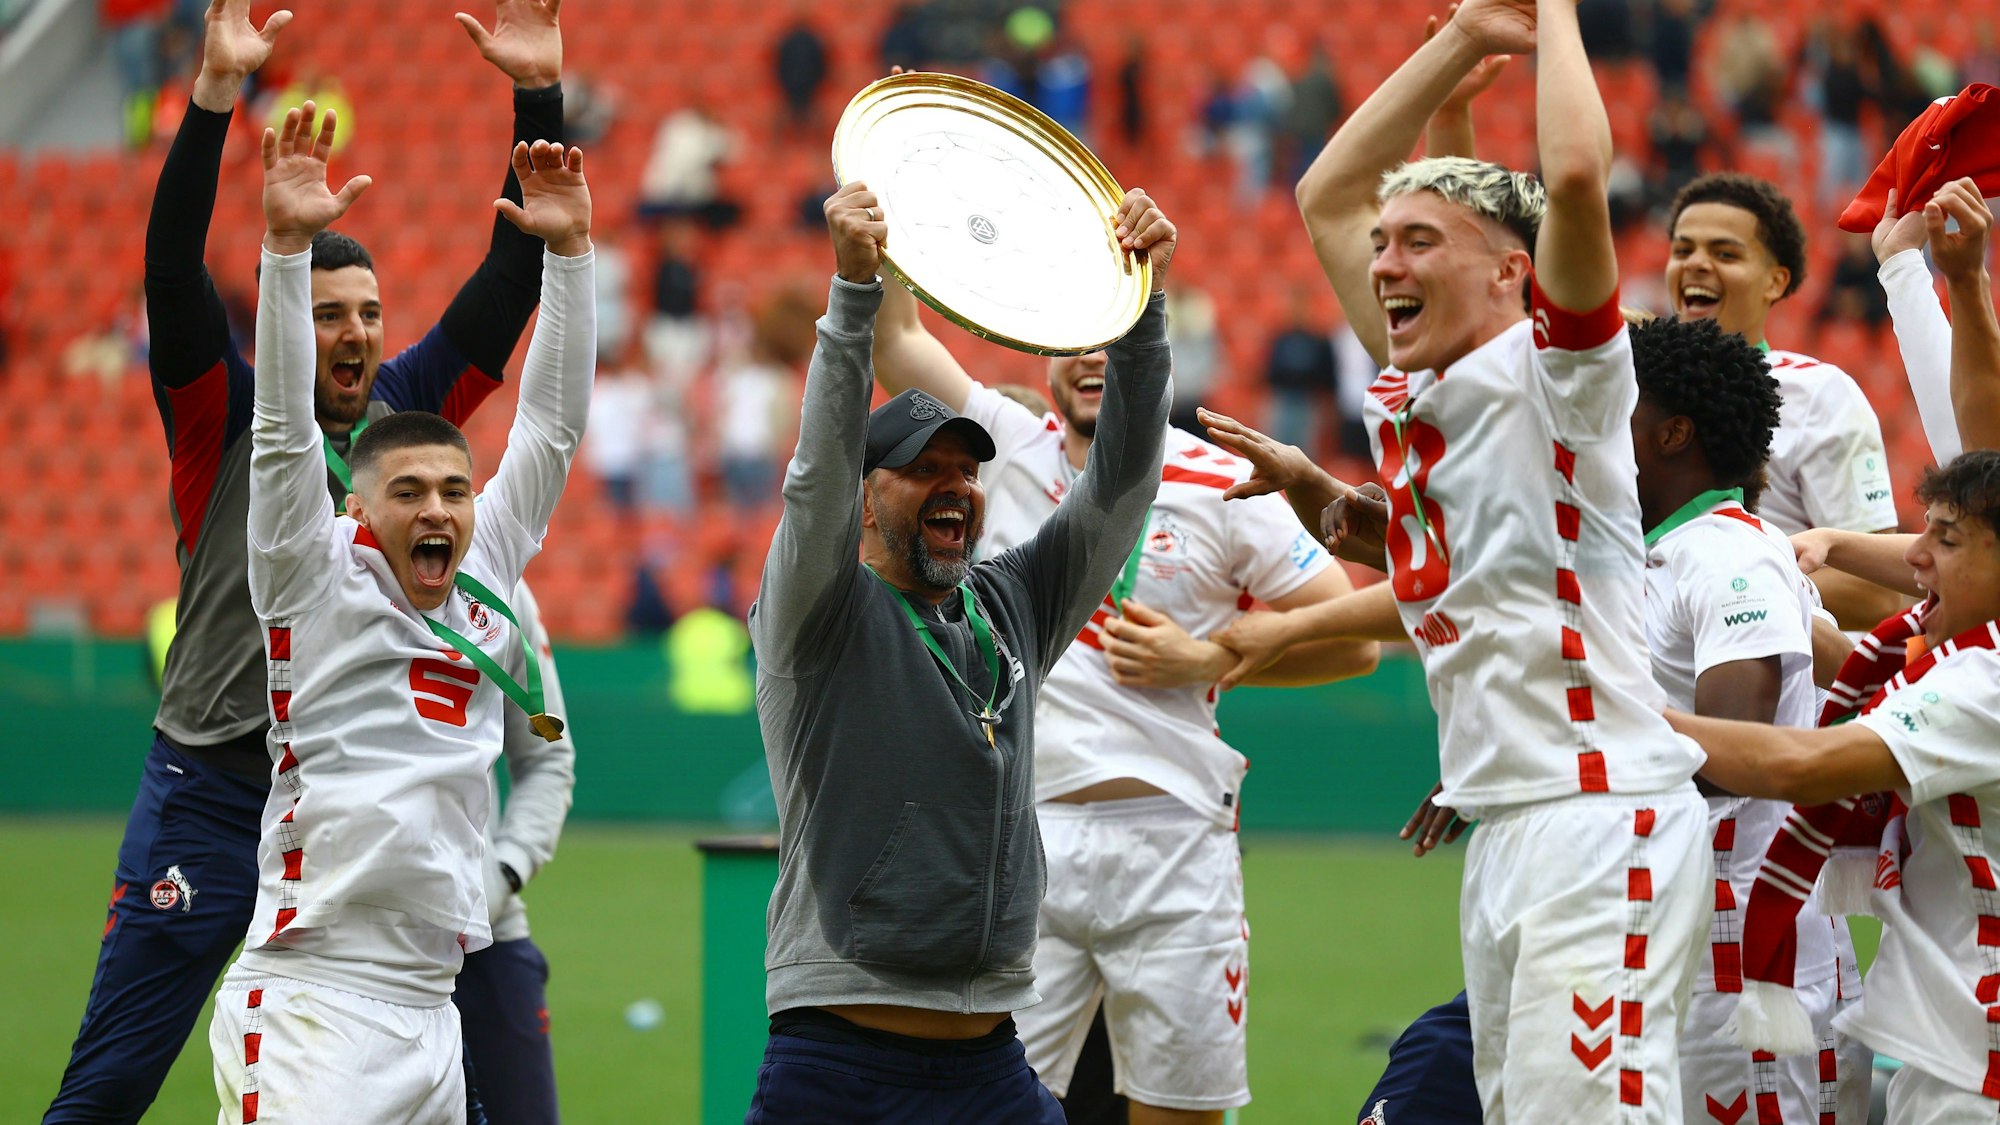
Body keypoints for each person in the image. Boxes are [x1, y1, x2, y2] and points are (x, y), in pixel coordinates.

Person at [42, 2, 569, 1120]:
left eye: (369, 314)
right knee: (111, 1084)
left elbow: (509, 283)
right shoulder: (224, 414)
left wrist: (538, 96)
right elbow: (171, 274)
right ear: (290, 325)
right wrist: (211, 100)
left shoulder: (406, 420)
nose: (355, 334)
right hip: (212, 788)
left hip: (347, 805)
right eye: (328, 315)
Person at [1285, 0, 1711, 1116]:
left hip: (1598, 810)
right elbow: (1326, 196)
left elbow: (1570, 178)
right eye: (1384, 245)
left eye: (1418, 243)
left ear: (1514, 274)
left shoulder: (1560, 376)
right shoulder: (1418, 387)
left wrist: (1551, 10)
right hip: (1505, 824)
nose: (1384, 262)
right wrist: (1464, 39)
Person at [871, 212, 1379, 1123]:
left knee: (1177, 1113)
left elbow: (1354, 640)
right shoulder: (1006, 445)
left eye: (1111, 334)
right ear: (1045, 356)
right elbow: (897, 339)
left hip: (1176, 837)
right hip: (1022, 837)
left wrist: (1214, 658)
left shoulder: (1220, 477)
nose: (1091, 357)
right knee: (996, 1110)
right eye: (1073, 338)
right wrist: (891, 195)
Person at [743, 180, 1176, 1121]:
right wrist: (853, 297)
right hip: (842, 1061)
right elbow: (817, 477)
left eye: (969, 471)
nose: (957, 486)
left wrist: (1142, 313)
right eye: (923, 470)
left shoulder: (1012, 604)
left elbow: (1123, 487)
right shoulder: (819, 612)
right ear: (866, 500)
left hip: (991, 1064)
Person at [206, 108, 594, 1123]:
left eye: (455, 491)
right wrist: (283, 252)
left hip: (434, 1010)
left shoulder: (487, 575)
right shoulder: (308, 574)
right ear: (358, 507)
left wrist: (571, 256)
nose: (438, 510)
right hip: (312, 1004)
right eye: (409, 491)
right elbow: (283, 429)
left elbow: (551, 428)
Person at [1667, 449, 2000, 1122]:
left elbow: (1801, 766)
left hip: (1977, 1062)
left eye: (1946, 540)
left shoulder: (1982, 680)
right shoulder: (1956, 666)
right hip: (1952, 1048)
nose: (1916, 556)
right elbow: (1868, 689)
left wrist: (1631, 714)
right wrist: (1820, 561)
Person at [1625, 317, 1860, 1122]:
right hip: (1683, 932)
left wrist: (1565, 756)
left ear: (1672, 433)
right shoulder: (1659, 552)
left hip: (1749, 953)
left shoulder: (1728, 554)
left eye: (1613, 408)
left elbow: (1735, 753)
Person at [1665, 172, 1904, 630]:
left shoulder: (1818, 395)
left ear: (1775, 281)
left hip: (1775, 670)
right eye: (1682, 250)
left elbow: (1876, 593)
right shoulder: (1638, 393)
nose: (1695, 263)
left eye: (1724, 253)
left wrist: (1716, 594)